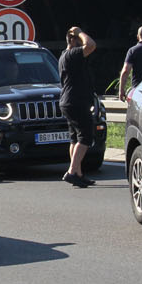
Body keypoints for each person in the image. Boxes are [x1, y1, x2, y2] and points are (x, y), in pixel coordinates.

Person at [57, 27, 97, 187]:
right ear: (73, 40)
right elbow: (91, 45)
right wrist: (80, 32)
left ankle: (78, 174)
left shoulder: (63, 56)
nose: (82, 44)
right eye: (79, 41)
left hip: (68, 101)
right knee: (86, 137)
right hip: (76, 101)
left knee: (74, 138)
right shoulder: (72, 54)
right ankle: (72, 171)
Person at [118, 26, 142, 99]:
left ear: (138, 36)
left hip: (138, 88)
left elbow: (126, 71)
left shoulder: (133, 51)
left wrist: (121, 90)